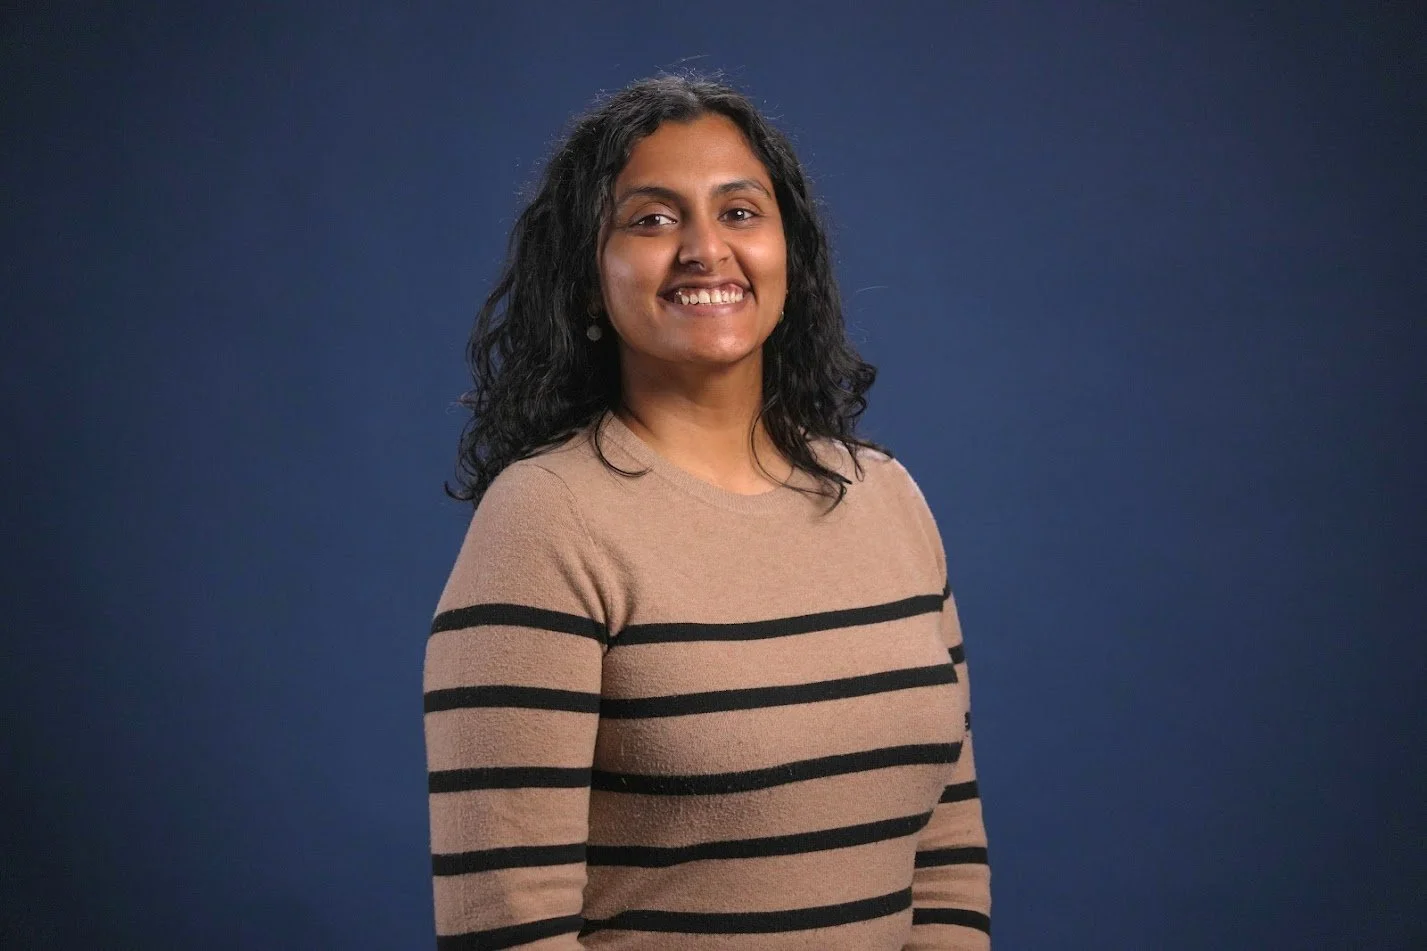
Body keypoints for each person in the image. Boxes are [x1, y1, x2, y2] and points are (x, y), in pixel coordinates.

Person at [423, 71, 991, 950]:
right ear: (585, 281)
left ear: (788, 259)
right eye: (652, 219)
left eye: (738, 212)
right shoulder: (546, 519)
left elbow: (948, 855)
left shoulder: (889, 500)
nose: (703, 249)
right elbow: (506, 924)